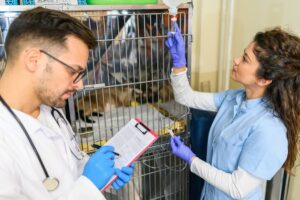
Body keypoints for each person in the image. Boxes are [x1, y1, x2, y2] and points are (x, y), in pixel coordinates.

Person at [0, 7, 134, 200]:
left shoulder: (51, 108)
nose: (80, 85)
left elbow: (70, 167)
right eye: (73, 71)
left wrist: (101, 174)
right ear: (33, 60)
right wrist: (89, 185)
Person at [165, 24, 300, 199]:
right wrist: (179, 64)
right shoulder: (233, 98)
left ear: (264, 80)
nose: (236, 60)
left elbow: (237, 188)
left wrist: (191, 160)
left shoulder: (269, 130)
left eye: (245, 59)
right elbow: (186, 97)